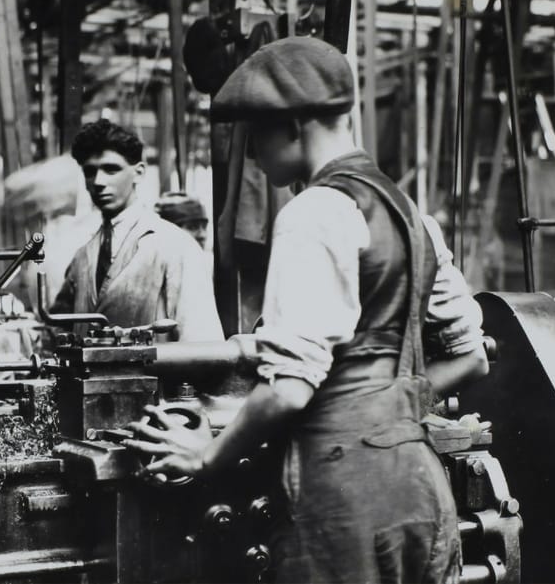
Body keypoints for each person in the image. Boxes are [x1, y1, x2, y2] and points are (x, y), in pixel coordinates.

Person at [124, 36, 474, 583]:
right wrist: (390, 407)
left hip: (344, 497)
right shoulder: (414, 216)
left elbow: (289, 388)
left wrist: (206, 455)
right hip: (421, 486)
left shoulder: (313, 211)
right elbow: (470, 357)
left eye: (256, 134)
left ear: (292, 125)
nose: (255, 156)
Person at [51, 119, 223, 342]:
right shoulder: (82, 258)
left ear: (139, 173)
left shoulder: (174, 246)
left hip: (159, 377)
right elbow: (57, 329)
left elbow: (203, 344)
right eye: (90, 172)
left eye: (111, 170)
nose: (99, 181)